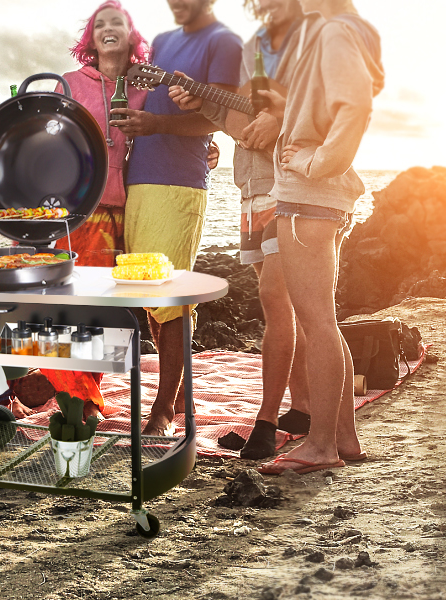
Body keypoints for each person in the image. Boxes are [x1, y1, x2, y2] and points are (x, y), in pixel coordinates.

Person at [167, 0, 310, 459]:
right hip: (253, 188)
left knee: (275, 295)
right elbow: (239, 122)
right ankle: (304, 406)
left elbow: (328, 103)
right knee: (289, 303)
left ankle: (267, 420)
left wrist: (281, 117)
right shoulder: (254, 50)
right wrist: (201, 102)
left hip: (294, 185)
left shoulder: (314, 36)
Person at [252, 0, 382, 474]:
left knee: (317, 325)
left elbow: (357, 107)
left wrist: (315, 162)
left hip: (311, 195)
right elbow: (332, 105)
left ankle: (321, 446)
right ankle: (343, 436)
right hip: (320, 197)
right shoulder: (341, 30)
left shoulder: (333, 33)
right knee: (323, 320)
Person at [113, 0, 243, 436]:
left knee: (169, 294)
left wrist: (157, 126)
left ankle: (164, 409)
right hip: (138, 180)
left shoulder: (224, 42)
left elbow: (223, 118)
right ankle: (178, 389)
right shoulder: (164, 42)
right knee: (150, 295)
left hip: (180, 182)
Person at [58, 0, 152, 266]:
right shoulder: (70, 84)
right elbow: (49, 143)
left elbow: (163, 132)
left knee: (127, 300)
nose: (107, 28)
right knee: (81, 298)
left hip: (134, 211)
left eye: (116, 22)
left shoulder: (146, 88)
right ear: (92, 40)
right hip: (80, 211)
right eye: (99, 25)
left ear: (132, 35)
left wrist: (208, 150)